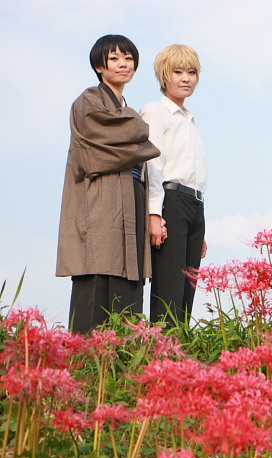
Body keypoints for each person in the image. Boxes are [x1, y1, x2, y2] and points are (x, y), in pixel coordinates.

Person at [56, 35, 161, 333]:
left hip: (132, 194)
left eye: (128, 59)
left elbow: (137, 144)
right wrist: (138, 133)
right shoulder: (90, 100)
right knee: (97, 270)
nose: (123, 64)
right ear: (99, 66)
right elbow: (99, 150)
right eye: (114, 58)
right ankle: (86, 357)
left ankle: (122, 357)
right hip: (101, 198)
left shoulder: (124, 106)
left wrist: (136, 142)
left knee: (129, 276)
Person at [140, 45, 208, 323]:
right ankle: (161, 348)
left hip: (195, 205)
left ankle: (181, 347)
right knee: (169, 289)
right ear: (163, 76)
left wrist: (198, 223)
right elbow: (153, 164)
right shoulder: (155, 111)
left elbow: (195, 173)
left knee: (187, 291)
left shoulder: (190, 119)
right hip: (171, 202)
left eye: (191, 72)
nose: (186, 78)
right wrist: (154, 214)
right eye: (178, 72)